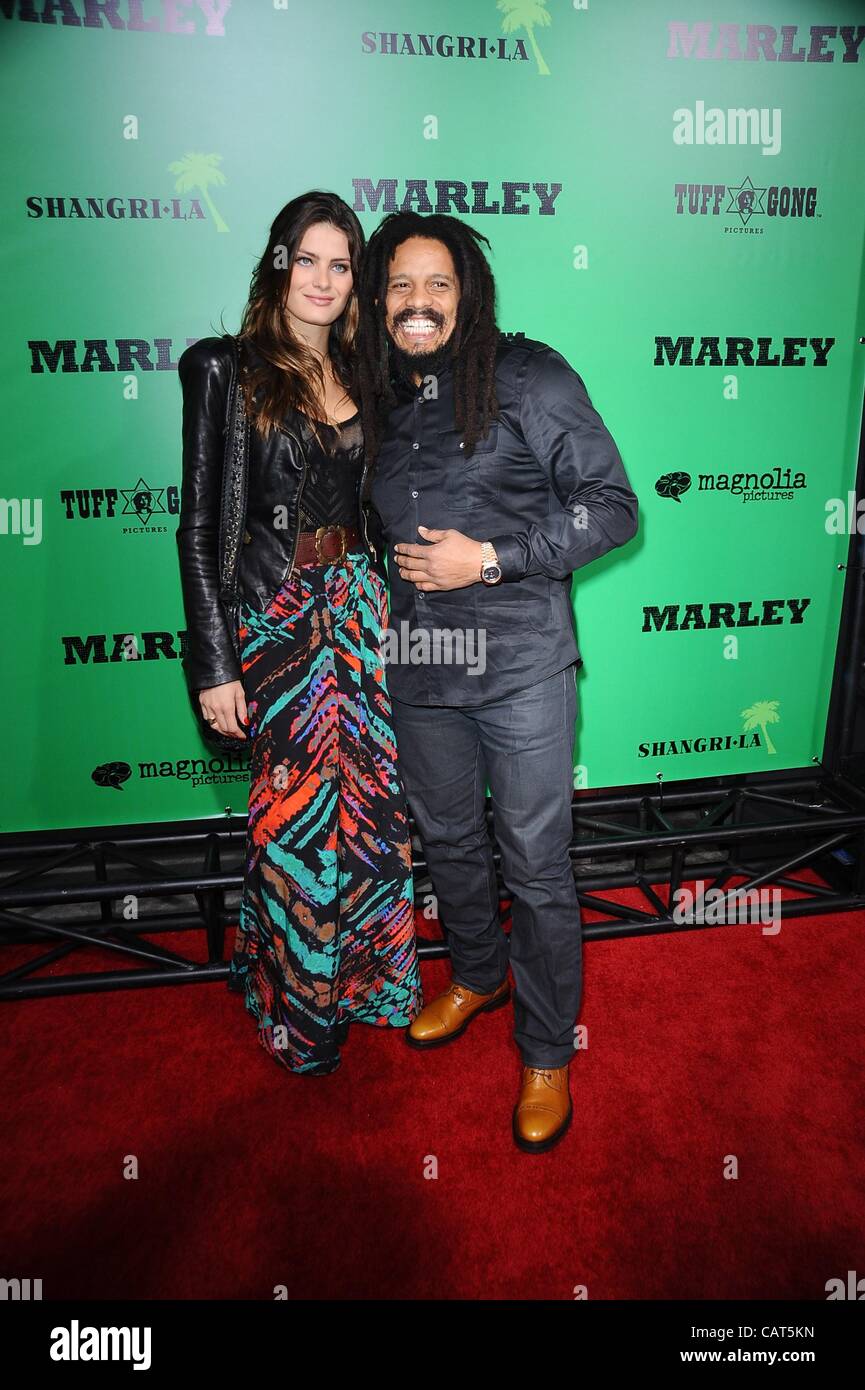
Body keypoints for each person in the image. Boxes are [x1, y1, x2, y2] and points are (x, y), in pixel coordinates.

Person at [355, 211, 638, 1151]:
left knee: (535, 863)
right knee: (445, 841)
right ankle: (476, 976)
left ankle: (547, 1050)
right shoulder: (378, 394)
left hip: (519, 666)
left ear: (467, 290)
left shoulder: (529, 375)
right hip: (421, 667)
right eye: (399, 285)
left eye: (437, 284)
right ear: (376, 297)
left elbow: (612, 508)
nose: (418, 303)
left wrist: (491, 559)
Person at [176, 191, 422, 1076]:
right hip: (274, 617)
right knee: (293, 820)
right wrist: (213, 663)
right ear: (278, 264)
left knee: (369, 813)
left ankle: (366, 985)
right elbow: (199, 528)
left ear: (356, 281)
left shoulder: (370, 378)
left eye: (340, 263)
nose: (321, 279)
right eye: (305, 259)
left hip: (361, 609)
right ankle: (296, 1010)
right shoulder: (224, 369)